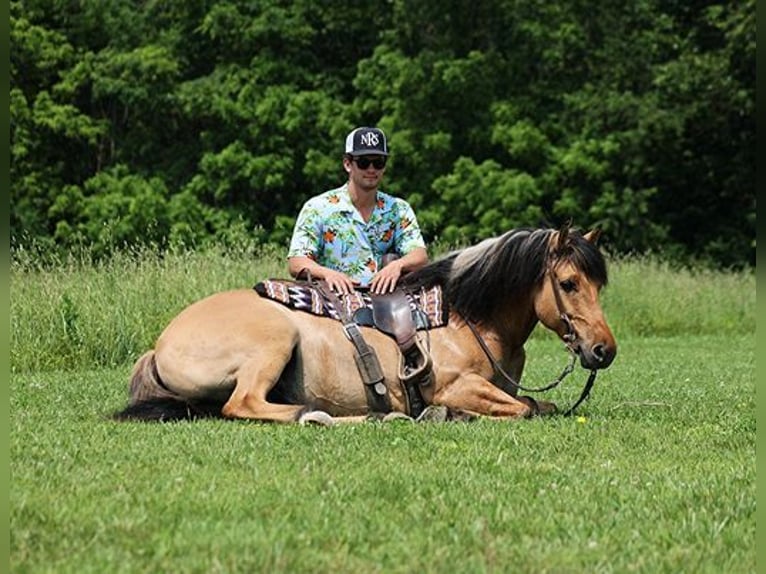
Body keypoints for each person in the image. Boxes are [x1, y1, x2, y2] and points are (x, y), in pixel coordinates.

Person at [287, 127, 428, 294]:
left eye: (378, 162)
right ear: (347, 164)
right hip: (333, 300)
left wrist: (397, 265)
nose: (371, 169)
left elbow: (419, 255)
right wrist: (327, 274)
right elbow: (296, 262)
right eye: (363, 162)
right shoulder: (318, 208)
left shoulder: (399, 209)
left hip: (386, 300)